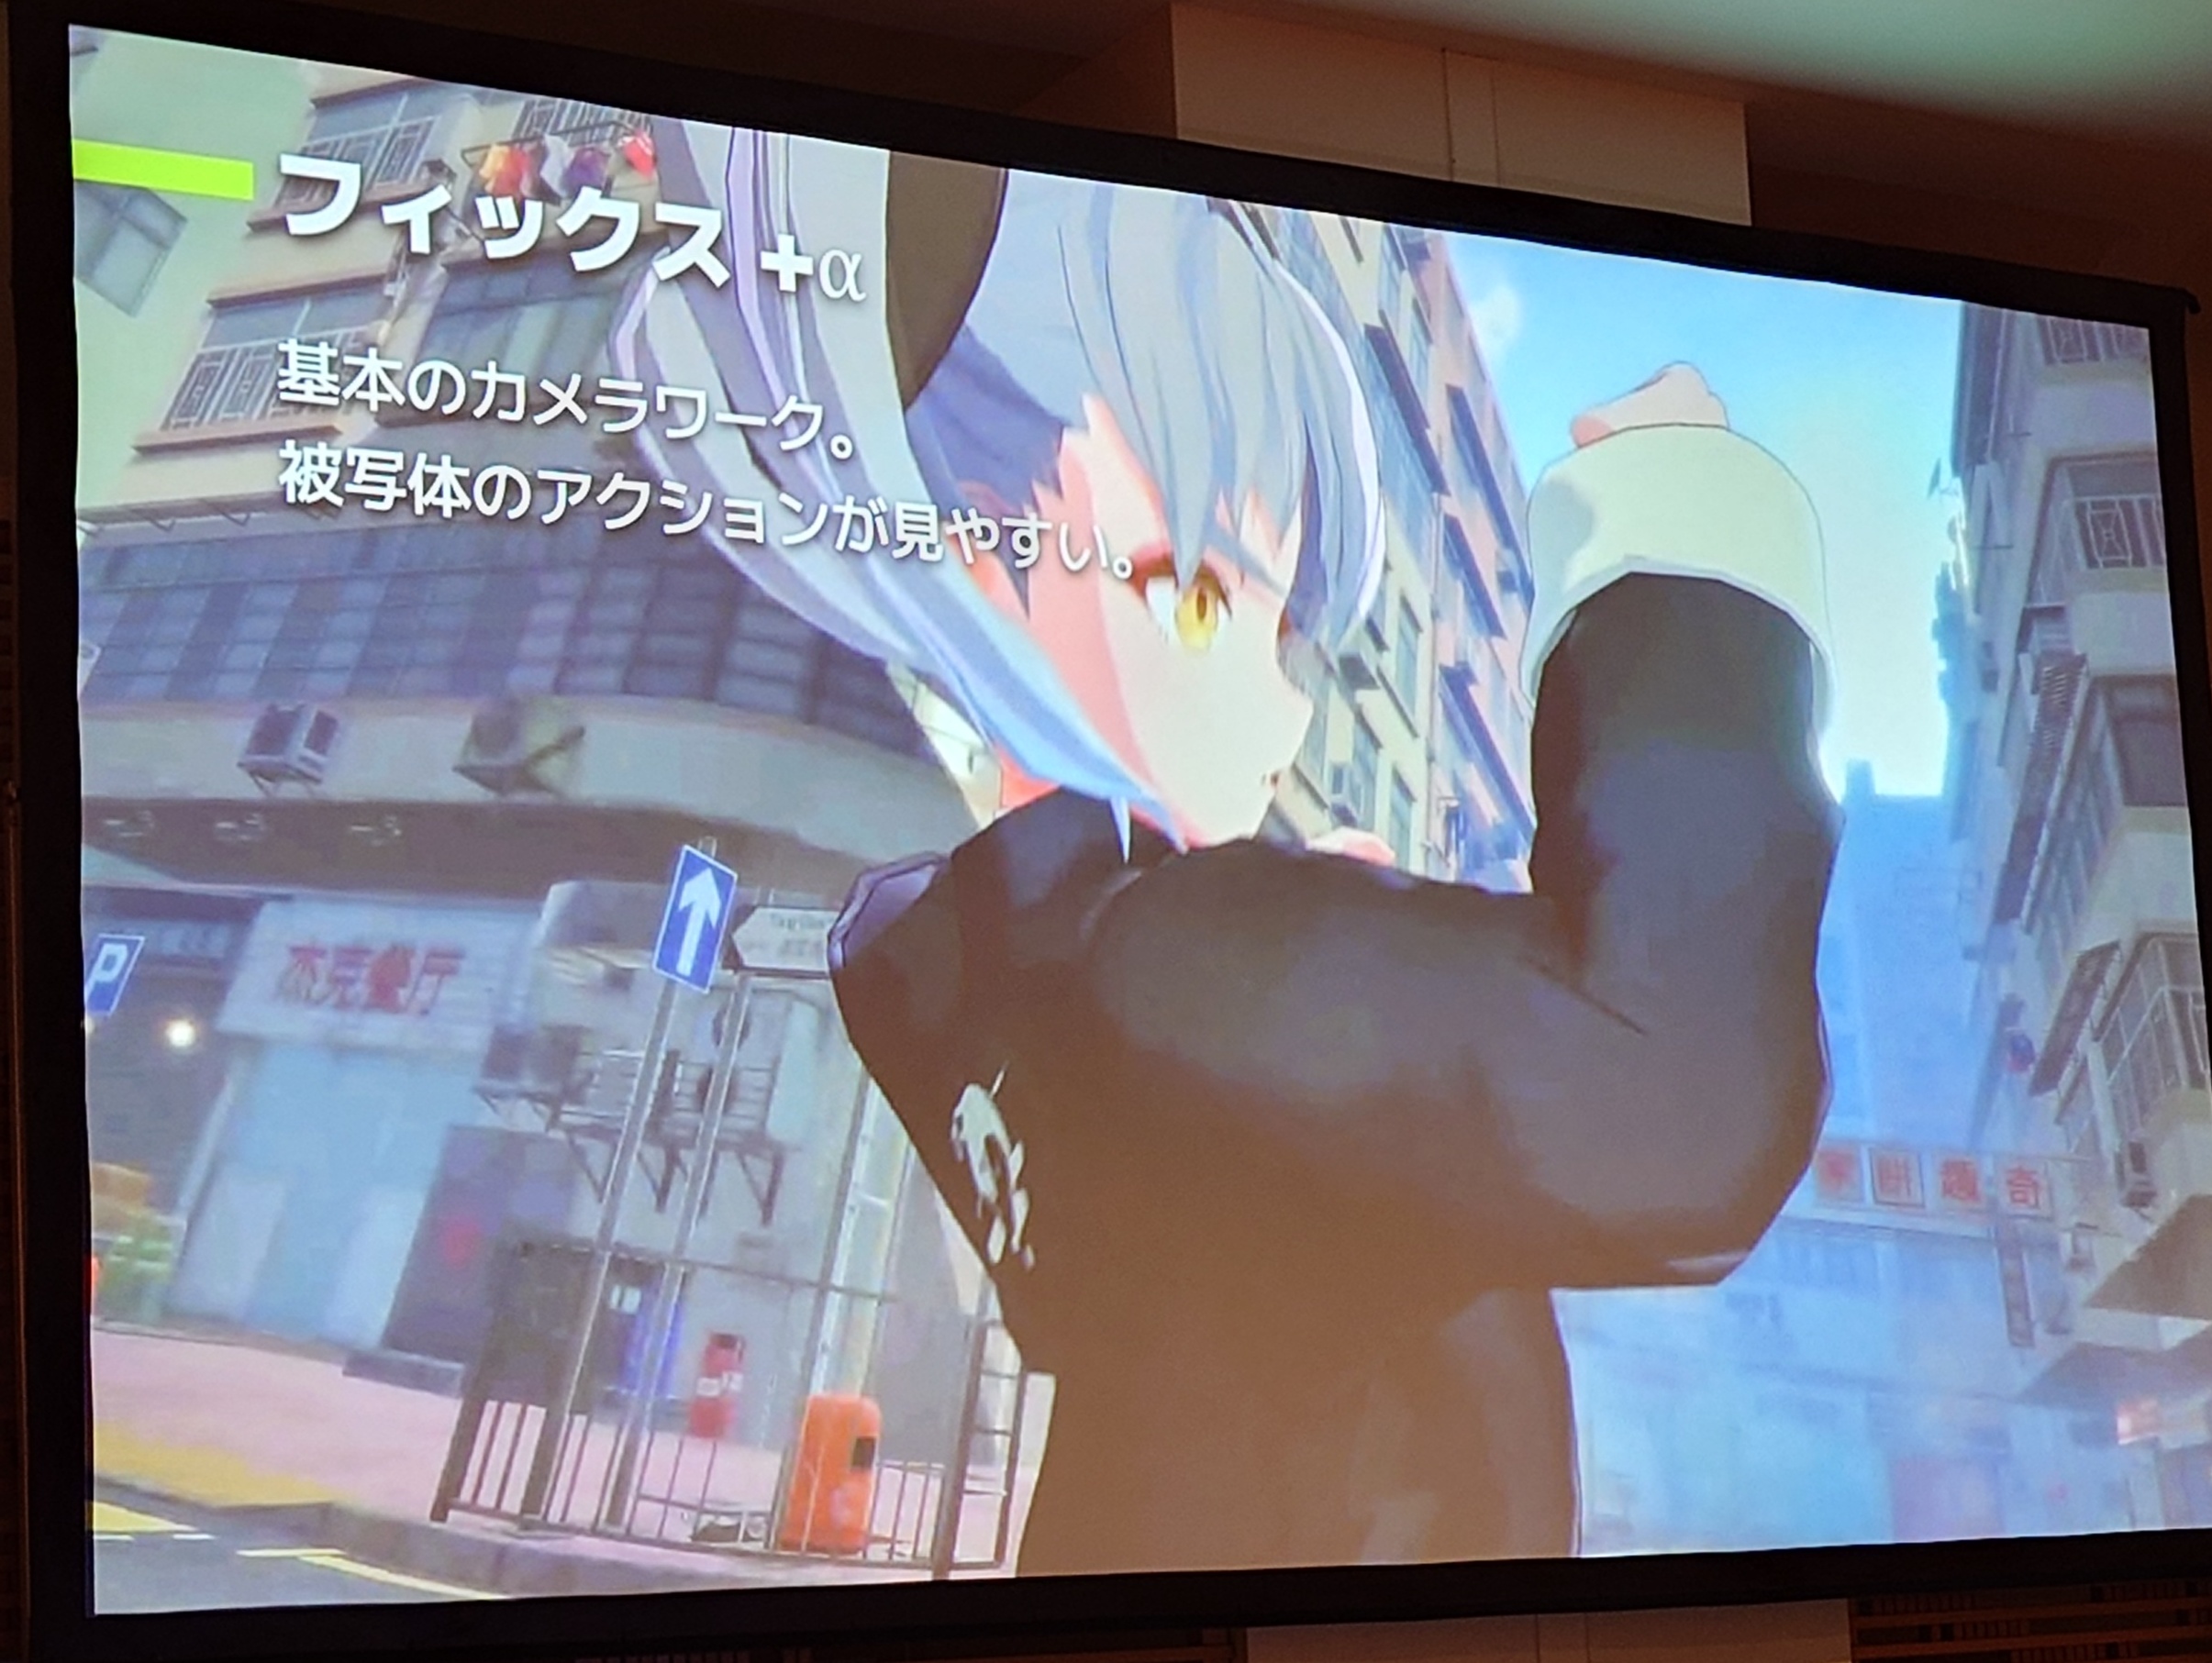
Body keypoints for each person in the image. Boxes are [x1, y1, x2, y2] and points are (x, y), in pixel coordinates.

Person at [620, 127, 1839, 1575]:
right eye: (1212, 604)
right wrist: (1677, 545)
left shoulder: (1029, 972)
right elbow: (1674, 1095)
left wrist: (1342, 951)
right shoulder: (1168, 957)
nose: (1290, 705)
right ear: (985, 560)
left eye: (1289, 627)